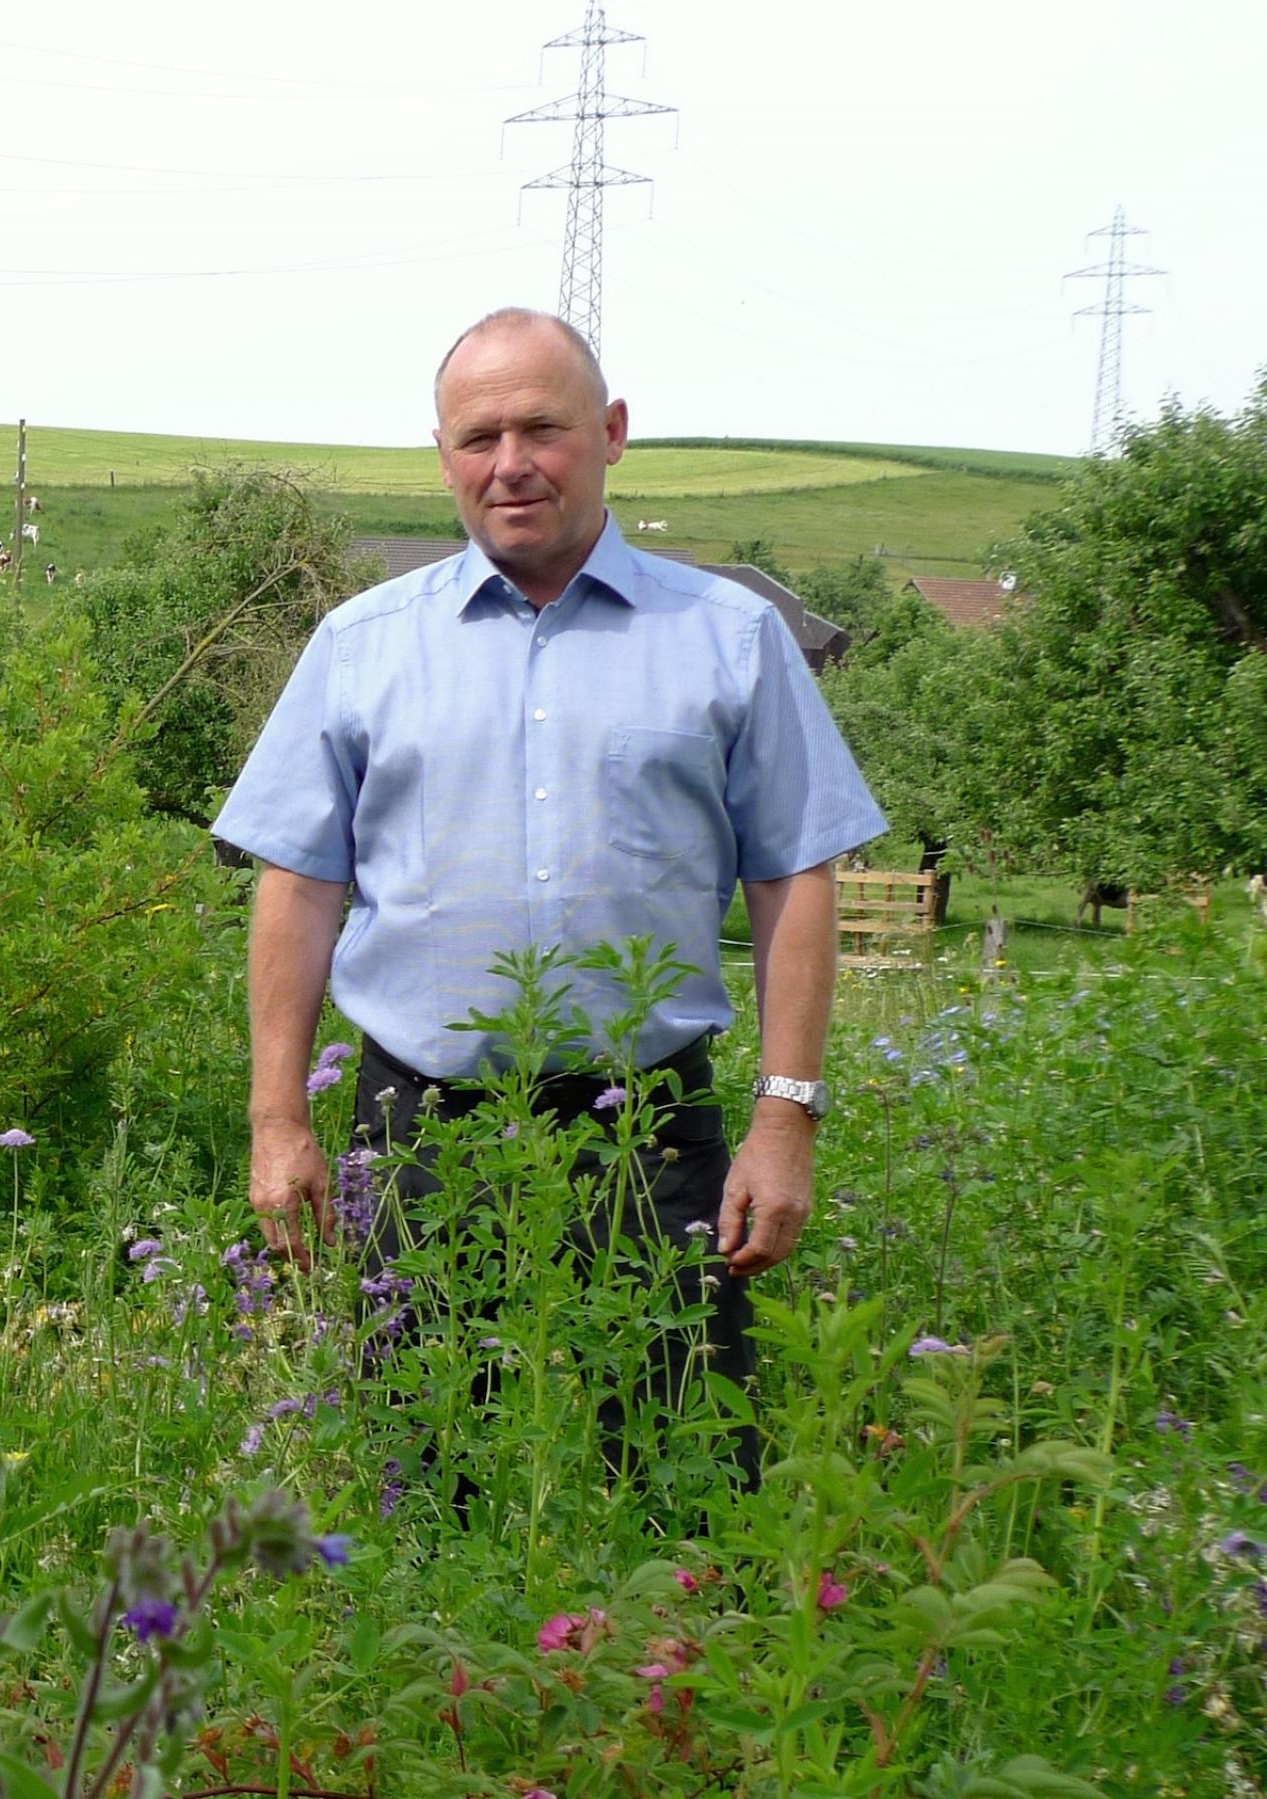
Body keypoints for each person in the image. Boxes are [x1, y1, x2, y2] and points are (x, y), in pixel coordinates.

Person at [209, 307, 886, 1471]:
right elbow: (299, 883)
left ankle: (671, 1652)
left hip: (650, 1131)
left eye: (541, 427)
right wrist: (279, 1120)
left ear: (611, 432)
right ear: (441, 456)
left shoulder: (728, 638)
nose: (508, 462)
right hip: (416, 1128)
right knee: (421, 1478)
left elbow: (792, 878)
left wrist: (783, 1119)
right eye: (477, 436)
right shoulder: (360, 644)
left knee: (686, 1474)